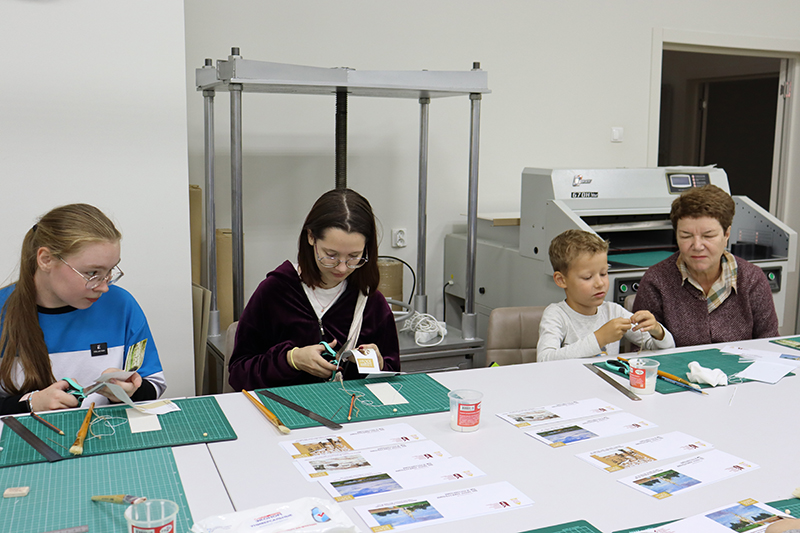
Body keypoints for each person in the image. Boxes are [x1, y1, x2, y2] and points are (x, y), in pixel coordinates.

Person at [0, 204, 166, 415]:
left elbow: (153, 383)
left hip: (107, 429)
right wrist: (30, 404)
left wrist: (130, 391)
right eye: (92, 273)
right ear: (46, 259)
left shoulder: (121, 305)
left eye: (110, 271)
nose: (104, 287)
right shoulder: (4, 311)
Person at [228, 188, 400, 390]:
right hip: (283, 406)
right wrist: (291, 360)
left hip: (352, 407)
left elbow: (392, 374)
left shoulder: (371, 302)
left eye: (354, 256)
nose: (342, 268)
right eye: (331, 255)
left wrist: (378, 364)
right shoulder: (275, 292)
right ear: (311, 237)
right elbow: (239, 373)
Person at [633, 184, 779, 347]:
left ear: (726, 234)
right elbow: (639, 349)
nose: (697, 246)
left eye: (708, 236)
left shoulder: (752, 279)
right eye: (686, 236)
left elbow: (770, 344)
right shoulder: (656, 281)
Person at [537, 229, 674, 361]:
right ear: (561, 280)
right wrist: (599, 339)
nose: (599, 283)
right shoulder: (556, 315)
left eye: (603, 273)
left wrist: (657, 331)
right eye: (587, 277)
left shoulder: (613, 312)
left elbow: (668, 349)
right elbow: (544, 359)